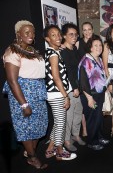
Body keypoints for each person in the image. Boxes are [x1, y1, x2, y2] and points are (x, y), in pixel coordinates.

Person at [2, 20, 48, 169]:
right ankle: (33, 158)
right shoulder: (12, 51)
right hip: (22, 92)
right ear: (18, 34)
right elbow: (12, 80)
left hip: (37, 92)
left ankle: (29, 152)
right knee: (26, 128)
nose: (31, 35)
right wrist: (24, 104)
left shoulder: (32, 50)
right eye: (26, 32)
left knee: (39, 126)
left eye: (32, 32)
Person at [44, 25, 77, 160]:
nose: (57, 37)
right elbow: (56, 77)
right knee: (61, 124)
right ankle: (59, 151)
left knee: (58, 122)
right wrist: (65, 96)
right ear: (47, 39)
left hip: (56, 93)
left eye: (58, 34)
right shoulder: (53, 54)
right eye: (53, 35)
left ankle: (49, 150)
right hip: (57, 94)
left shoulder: (54, 51)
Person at [78, 35, 110, 150]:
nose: (99, 47)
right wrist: (89, 98)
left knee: (98, 118)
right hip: (90, 95)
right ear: (90, 47)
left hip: (99, 94)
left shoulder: (99, 59)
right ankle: (92, 141)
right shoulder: (86, 61)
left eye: (100, 45)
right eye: (95, 45)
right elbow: (83, 81)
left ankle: (99, 137)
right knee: (92, 119)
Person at [60, 23, 85, 152]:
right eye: (71, 34)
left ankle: (75, 135)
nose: (74, 36)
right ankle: (67, 140)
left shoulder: (75, 49)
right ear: (64, 36)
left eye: (75, 34)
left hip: (79, 87)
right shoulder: (63, 51)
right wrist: (74, 87)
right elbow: (68, 71)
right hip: (70, 88)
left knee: (78, 113)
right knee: (69, 116)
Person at [75, 21, 96, 137]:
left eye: (89, 29)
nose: (87, 31)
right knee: (84, 106)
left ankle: (93, 126)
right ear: (82, 32)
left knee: (94, 103)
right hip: (83, 78)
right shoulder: (78, 43)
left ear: (92, 30)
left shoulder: (96, 43)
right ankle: (85, 128)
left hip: (94, 78)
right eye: (85, 29)